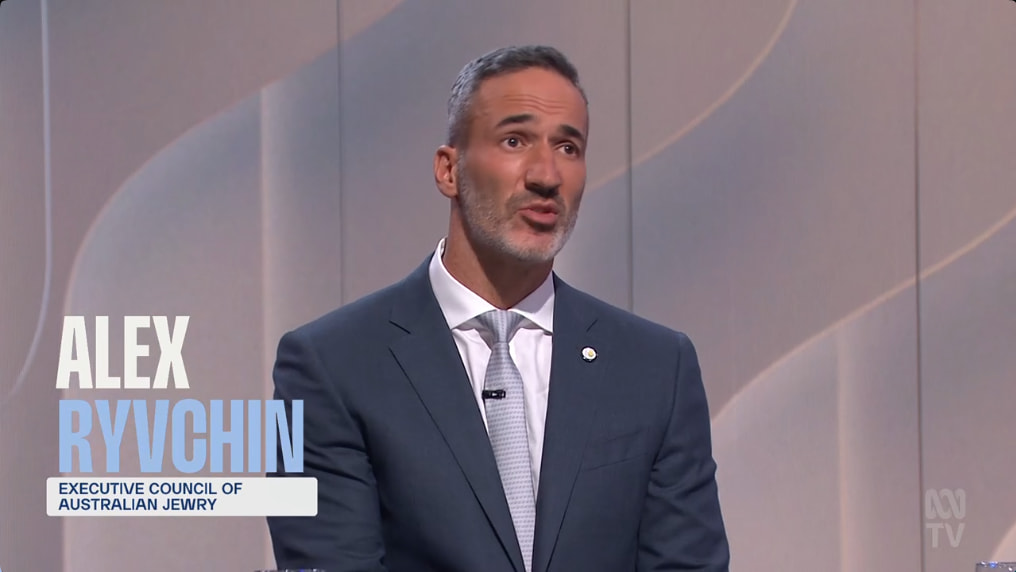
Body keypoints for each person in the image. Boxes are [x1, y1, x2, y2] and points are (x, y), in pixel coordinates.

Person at [267, 45, 729, 572]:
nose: (546, 175)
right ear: (449, 170)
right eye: (515, 140)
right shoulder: (328, 366)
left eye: (568, 147)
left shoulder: (656, 366)